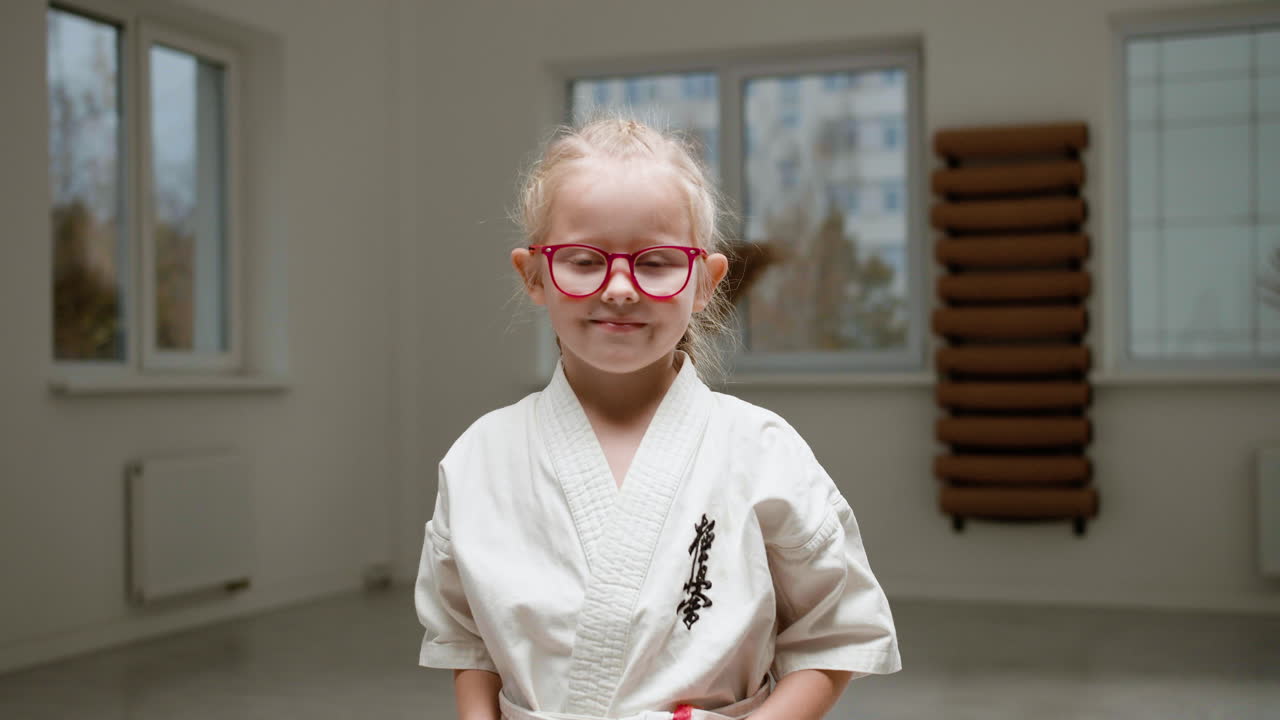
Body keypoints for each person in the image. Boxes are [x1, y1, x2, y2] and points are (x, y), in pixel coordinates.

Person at [415, 116, 900, 720]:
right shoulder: (478, 458)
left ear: (705, 282)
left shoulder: (762, 450)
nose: (620, 288)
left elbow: (837, 631)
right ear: (533, 274)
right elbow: (469, 642)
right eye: (584, 260)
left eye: (658, 262)